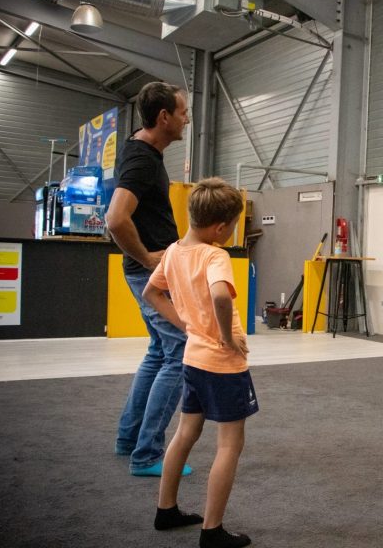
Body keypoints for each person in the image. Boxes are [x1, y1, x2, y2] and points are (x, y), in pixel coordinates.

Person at [143, 178, 255, 548]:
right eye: (235, 225)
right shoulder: (215, 254)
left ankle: (166, 509)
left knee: (185, 433)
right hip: (223, 363)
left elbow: (152, 293)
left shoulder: (174, 251)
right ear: (220, 228)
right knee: (229, 445)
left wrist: (187, 325)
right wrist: (226, 337)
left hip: (193, 359)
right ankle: (213, 531)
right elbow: (221, 296)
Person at [106, 81, 192, 476]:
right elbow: (115, 219)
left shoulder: (143, 149)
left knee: (160, 350)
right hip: (150, 273)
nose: (187, 118)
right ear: (164, 117)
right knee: (180, 351)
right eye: (183, 112)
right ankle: (148, 455)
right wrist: (147, 258)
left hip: (149, 271)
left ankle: (129, 440)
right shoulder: (142, 159)